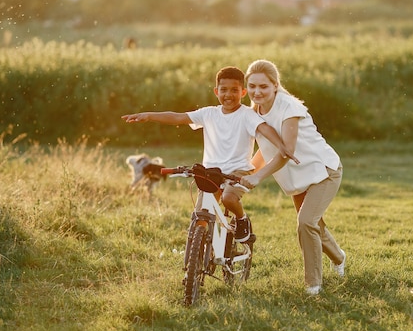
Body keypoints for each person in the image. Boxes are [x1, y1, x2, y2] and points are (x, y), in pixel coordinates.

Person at [122, 66, 298, 242]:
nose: (228, 94)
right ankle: (198, 259)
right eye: (223, 90)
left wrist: (282, 146)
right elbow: (178, 117)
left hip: (238, 171)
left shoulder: (247, 115)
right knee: (200, 218)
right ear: (216, 91)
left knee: (229, 198)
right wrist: (149, 116)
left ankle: (242, 219)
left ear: (243, 92)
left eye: (234, 90)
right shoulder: (208, 113)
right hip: (209, 172)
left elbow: (265, 129)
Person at [240, 59, 345, 295]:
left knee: (306, 222)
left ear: (275, 85)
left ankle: (313, 285)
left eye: (264, 86)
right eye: (253, 86)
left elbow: (286, 152)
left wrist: (258, 178)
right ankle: (339, 258)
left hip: (322, 170)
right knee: (314, 224)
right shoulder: (254, 111)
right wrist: (247, 170)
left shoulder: (289, 108)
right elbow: (263, 149)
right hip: (297, 179)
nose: (257, 92)